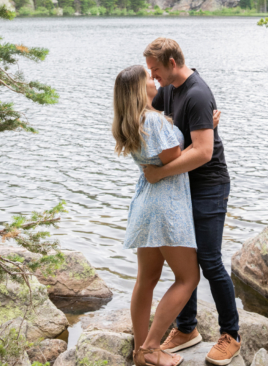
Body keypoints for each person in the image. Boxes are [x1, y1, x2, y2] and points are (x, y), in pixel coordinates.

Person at [143, 38, 241, 366]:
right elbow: (149, 120)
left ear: (172, 63)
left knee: (210, 261)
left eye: (155, 70)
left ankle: (231, 335)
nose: (153, 77)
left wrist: (159, 173)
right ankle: (186, 329)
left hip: (209, 187)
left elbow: (203, 152)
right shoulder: (168, 90)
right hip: (181, 187)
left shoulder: (197, 94)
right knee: (183, 261)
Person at [112, 64, 199, 366]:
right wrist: (204, 131)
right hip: (167, 205)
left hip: (146, 204)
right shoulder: (154, 121)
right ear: (140, 88)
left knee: (146, 279)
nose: (154, 79)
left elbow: (160, 158)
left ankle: (140, 351)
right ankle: (152, 348)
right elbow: (175, 159)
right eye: (148, 77)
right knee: (188, 278)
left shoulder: (134, 120)